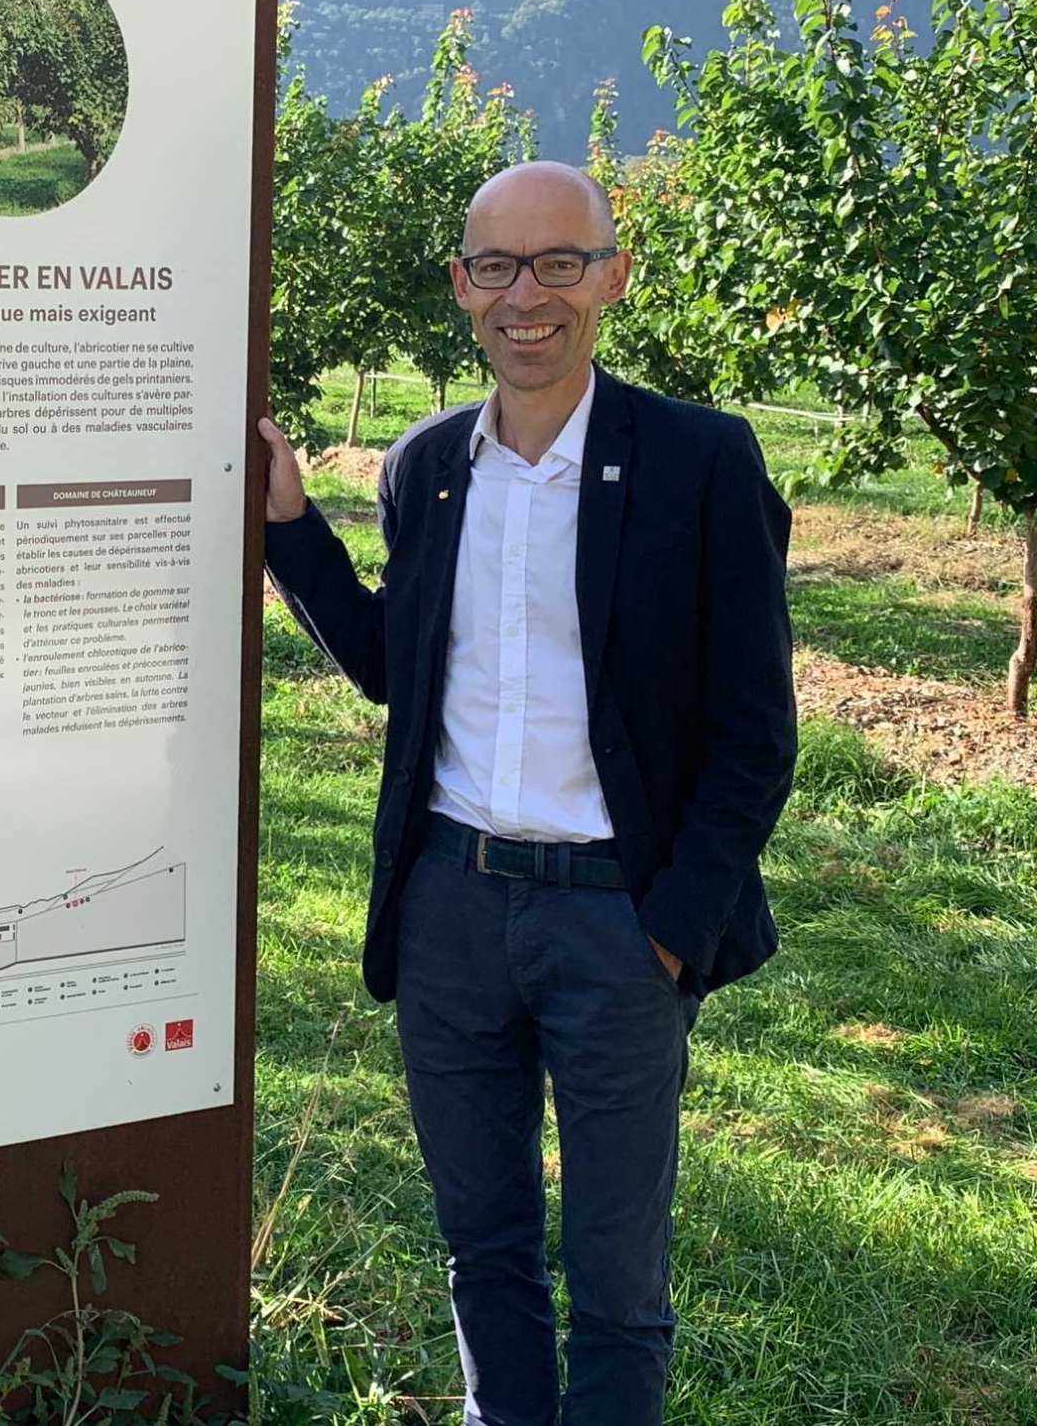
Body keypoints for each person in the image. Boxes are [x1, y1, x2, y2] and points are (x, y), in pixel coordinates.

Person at [258, 160, 795, 1425]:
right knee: (481, 1246)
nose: (526, 296)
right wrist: (290, 527)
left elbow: (752, 736)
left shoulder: (697, 461)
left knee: (615, 1281)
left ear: (610, 276)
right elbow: (397, 663)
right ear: (459, 287)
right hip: (450, 906)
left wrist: (670, 930)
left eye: (559, 262)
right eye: (494, 266)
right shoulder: (427, 465)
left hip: (616, 921)